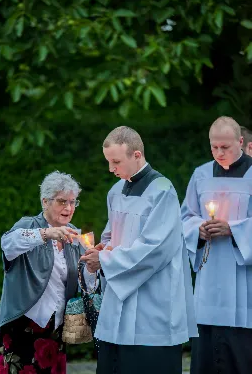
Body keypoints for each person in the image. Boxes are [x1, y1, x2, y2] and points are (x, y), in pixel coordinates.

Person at [80, 126, 198, 374]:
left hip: (152, 303)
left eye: (115, 162)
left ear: (136, 155)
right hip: (118, 301)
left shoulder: (162, 191)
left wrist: (106, 259)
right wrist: (103, 248)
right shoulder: (115, 191)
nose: (111, 169)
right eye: (108, 162)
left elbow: (155, 249)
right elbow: (111, 234)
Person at [0, 171, 95, 374]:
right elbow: (7, 244)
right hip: (23, 326)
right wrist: (46, 233)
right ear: (45, 201)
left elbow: (85, 284)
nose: (68, 208)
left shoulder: (74, 235)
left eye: (73, 202)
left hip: (57, 329)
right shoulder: (29, 226)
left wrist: (91, 267)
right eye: (62, 202)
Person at [181, 116, 252, 374]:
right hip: (209, 280)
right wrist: (197, 229)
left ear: (241, 142)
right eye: (214, 147)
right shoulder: (200, 174)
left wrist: (233, 230)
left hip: (244, 282)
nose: (219, 153)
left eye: (225, 147)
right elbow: (185, 216)